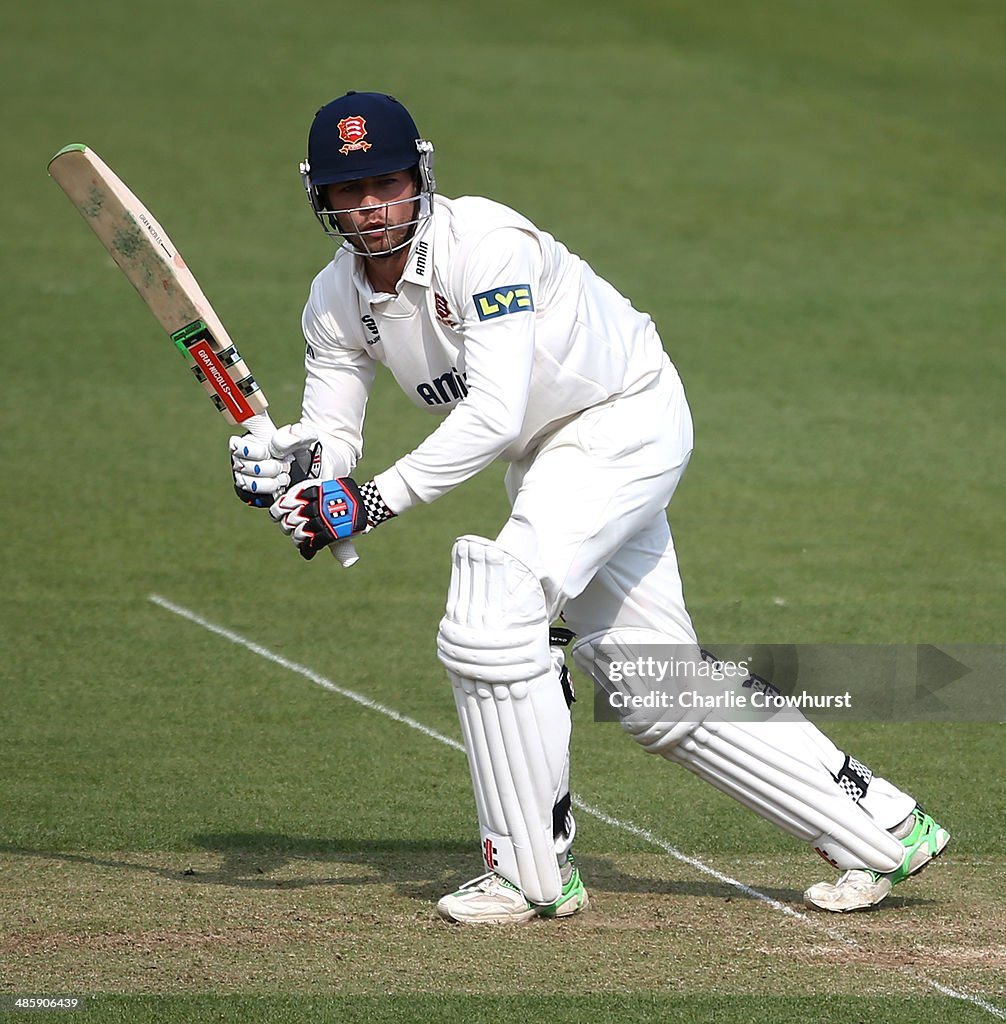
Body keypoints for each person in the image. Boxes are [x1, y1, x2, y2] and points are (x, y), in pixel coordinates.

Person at [229, 91, 949, 923]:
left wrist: (369, 504)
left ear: (419, 177)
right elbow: (333, 433)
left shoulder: (488, 245)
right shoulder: (333, 300)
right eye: (349, 192)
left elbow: (493, 411)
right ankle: (884, 826)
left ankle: (528, 874)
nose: (371, 208)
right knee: (654, 684)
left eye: (385, 184)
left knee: (495, 611)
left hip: (621, 417)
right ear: (320, 198)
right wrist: (300, 468)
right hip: (550, 455)